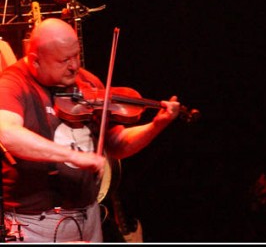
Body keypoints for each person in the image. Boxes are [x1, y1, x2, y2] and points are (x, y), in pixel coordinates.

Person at [0, 17, 181, 243]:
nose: (74, 66)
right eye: (64, 60)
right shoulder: (13, 83)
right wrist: (73, 156)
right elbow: (6, 132)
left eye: (75, 56)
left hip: (88, 216)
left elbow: (118, 144)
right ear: (36, 61)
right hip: (37, 225)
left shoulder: (87, 82)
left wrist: (156, 125)